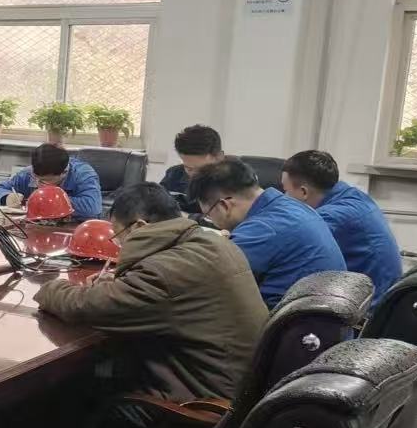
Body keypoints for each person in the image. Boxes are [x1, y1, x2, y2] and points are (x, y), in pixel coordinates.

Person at [35, 183, 268, 428]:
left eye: (117, 235)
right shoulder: (213, 243)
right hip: (234, 390)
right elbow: (168, 294)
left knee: (71, 396)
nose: (118, 244)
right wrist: (123, 285)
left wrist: (50, 287)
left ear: (138, 227)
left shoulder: (164, 272)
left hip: (202, 409)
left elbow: (85, 307)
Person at [189, 158, 345, 307]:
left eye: (208, 215)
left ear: (224, 205)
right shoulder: (290, 205)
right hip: (322, 314)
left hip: (288, 321)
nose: (211, 220)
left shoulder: (262, 229)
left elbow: (202, 278)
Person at [281, 150, 402, 304]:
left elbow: (286, 246)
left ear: (304, 192)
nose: (283, 197)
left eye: (286, 190)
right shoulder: (350, 195)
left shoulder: (332, 217)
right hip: (380, 295)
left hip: (368, 309)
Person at [0, 142, 103, 220]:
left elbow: (93, 207)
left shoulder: (83, 174)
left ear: (64, 173)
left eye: (44, 182)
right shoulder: (28, 173)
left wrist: (54, 200)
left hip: (74, 229)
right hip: (38, 227)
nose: (38, 183)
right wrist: (6, 197)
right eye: (36, 178)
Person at [159, 125, 224, 215]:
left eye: (202, 169)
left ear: (219, 157)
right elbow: (157, 206)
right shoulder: (174, 175)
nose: (195, 174)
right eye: (188, 168)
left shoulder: (235, 182)